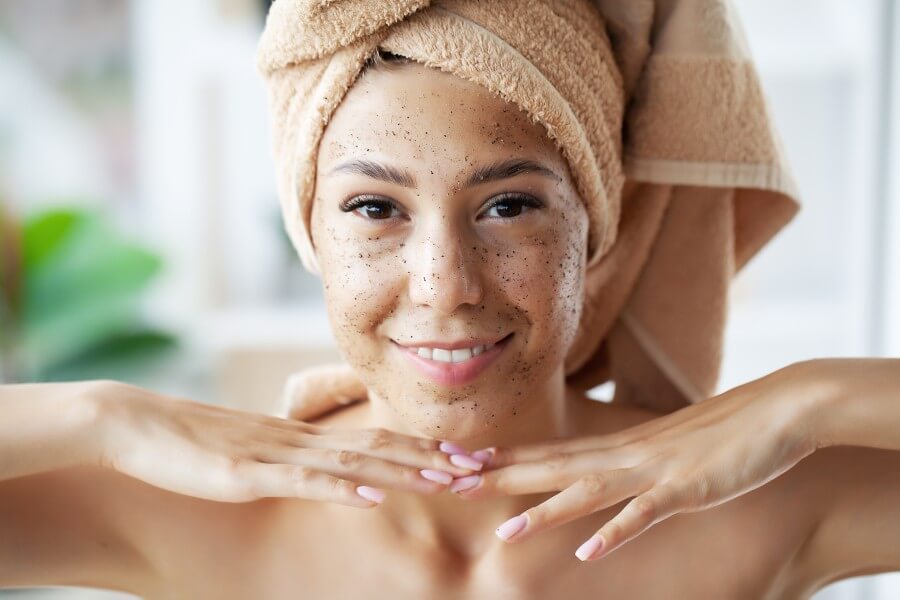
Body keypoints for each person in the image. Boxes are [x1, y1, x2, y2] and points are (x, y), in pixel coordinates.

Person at [2, 1, 899, 598]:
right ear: (309, 230)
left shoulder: (752, 502)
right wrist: (103, 416)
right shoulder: (191, 511)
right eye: (374, 208)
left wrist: (807, 398)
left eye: (509, 206)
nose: (445, 284)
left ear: (598, 226)